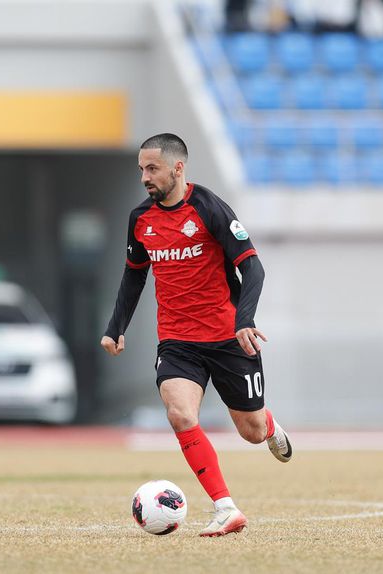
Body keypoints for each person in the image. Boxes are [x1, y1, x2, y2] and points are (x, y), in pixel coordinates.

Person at [101, 133, 292, 537]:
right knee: (180, 413)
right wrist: (115, 328)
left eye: (152, 169)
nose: (144, 178)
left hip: (227, 338)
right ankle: (225, 507)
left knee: (251, 431)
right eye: (141, 169)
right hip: (177, 342)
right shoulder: (141, 220)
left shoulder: (210, 209)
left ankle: (270, 425)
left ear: (178, 168)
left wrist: (244, 320)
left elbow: (253, 268)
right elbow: (133, 277)